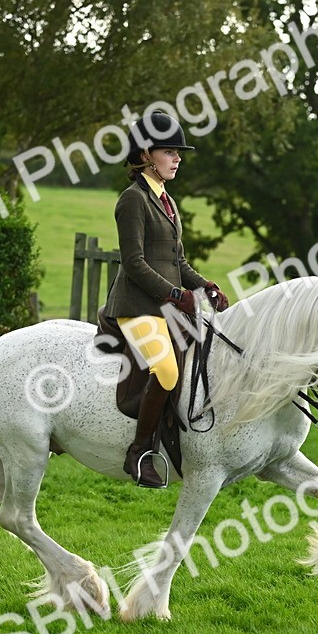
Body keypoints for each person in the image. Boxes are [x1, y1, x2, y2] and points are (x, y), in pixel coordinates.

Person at [103, 111, 228, 487]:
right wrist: (175, 294)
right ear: (145, 154)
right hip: (137, 308)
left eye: (178, 152)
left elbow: (178, 262)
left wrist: (204, 285)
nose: (178, 158)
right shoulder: (132, 200)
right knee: (169, 371)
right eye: (170, 151)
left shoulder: (167, 201)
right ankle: (139, 451)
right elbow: (135, 263)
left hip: (164, 306)